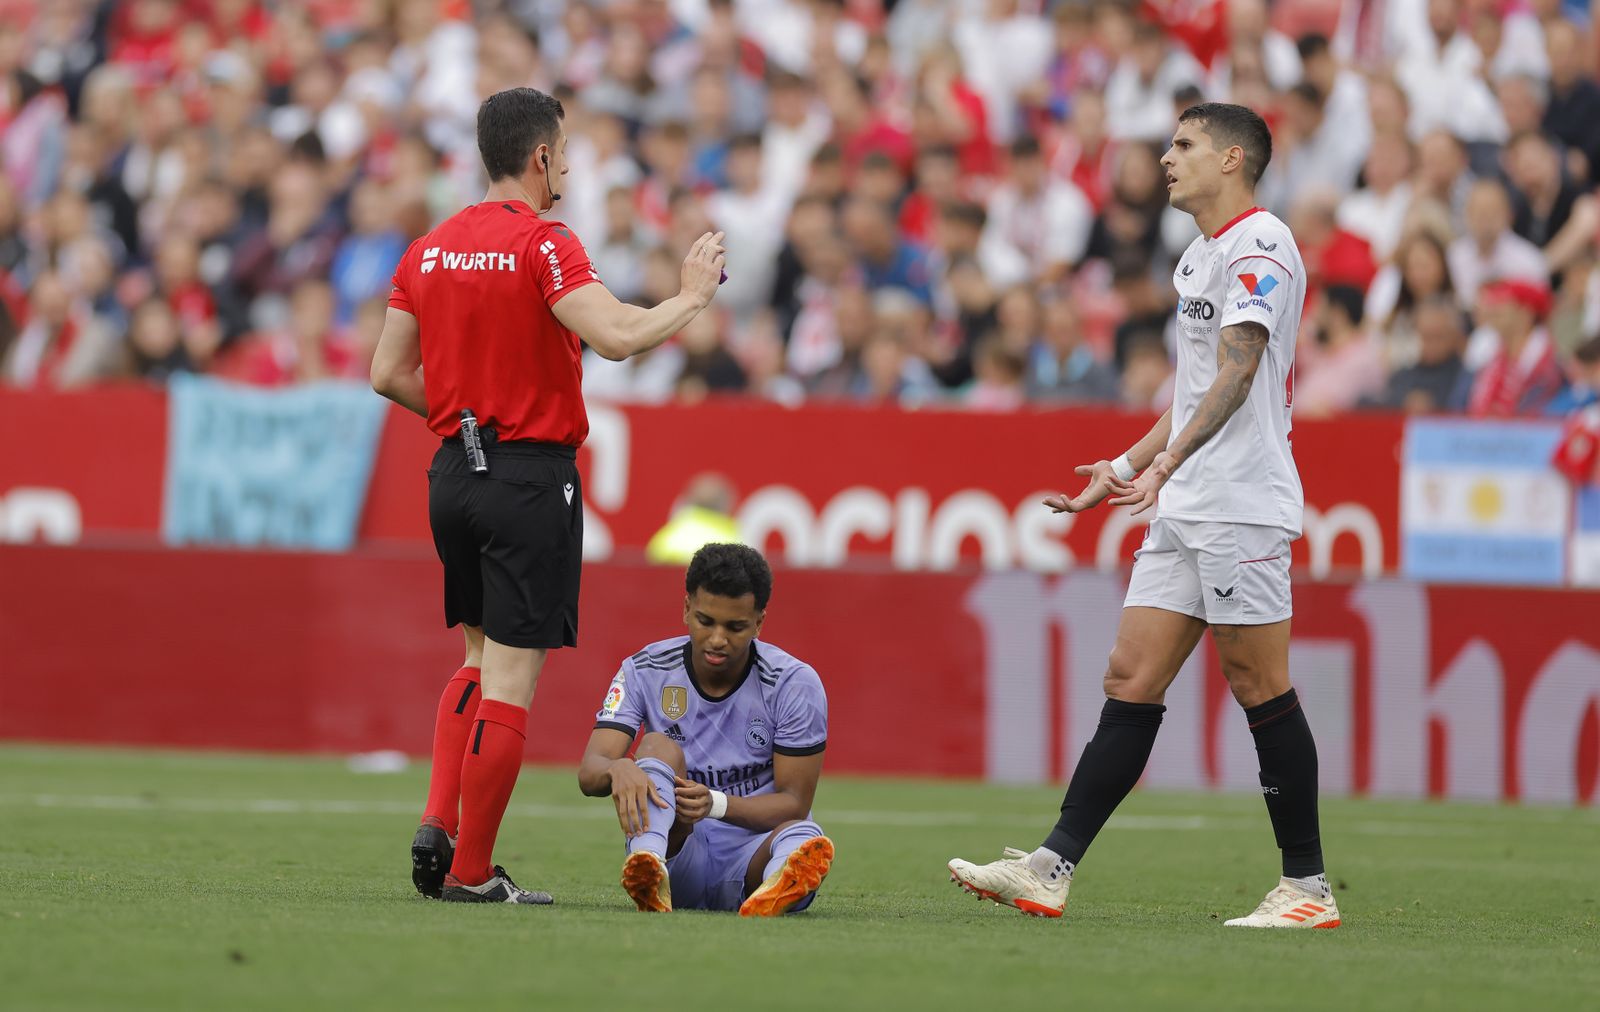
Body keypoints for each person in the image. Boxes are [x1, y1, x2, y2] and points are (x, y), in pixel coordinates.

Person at [948, 103, 1340, 929]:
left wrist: (1168, 463)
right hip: (1187, 500)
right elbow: (1194, 390)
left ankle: (1306, 888)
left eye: (1184, 145)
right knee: (1131, 677)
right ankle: (1051, 867)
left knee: (1259, 682)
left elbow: (1239, 375)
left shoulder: (1261, 244)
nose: (1166, 158)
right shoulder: (1197, 258)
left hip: (1239, 501)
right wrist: (1126, 466)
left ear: (1233, 158)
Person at [370, 87, 726, 905]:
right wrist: (692, 298)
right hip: (528, 479)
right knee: (511, 682)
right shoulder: (544, 245)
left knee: (474, 657)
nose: (565, 165)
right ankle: (469, 872)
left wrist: (464, 418)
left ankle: (437, 822)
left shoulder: (427, 250)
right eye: (562, 152)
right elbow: (617, 336)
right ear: (540, 158)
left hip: (452, 476)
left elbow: (388, 373)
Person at [577, 543, 833, 916]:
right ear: (686, 609)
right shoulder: (644, 669)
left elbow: (794, 801)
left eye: (735, 627)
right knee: (655, 746)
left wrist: (714, 803)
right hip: (681, 851)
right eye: (705, 621)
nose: (717, 639)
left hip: (753, 855)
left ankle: (776, 888)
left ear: (759, 622)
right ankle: (649, 864)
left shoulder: (794, 683)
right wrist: (618, 767)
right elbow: (590, 770)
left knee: (805, 837)